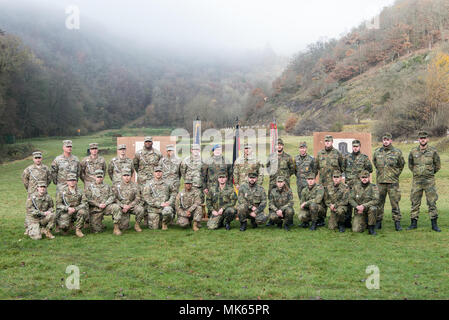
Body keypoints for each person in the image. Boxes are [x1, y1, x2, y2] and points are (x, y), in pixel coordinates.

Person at [407, 131, 442, 232]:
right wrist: (417, 172)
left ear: (427, 139)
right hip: (417, 181)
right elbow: (410, 164)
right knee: (415, 202)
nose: (423, 140)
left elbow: (437, 165)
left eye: (424, 138)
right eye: (421, 138)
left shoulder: (433, 151)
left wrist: (429, 173)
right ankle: (413, 223)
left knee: (432, 202)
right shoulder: (413, 151)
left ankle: (434, 224)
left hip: (429, 181)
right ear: (418, 139)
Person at [373, 133, 405, 231]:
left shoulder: (397, 152)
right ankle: (378, 222)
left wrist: (395, 174)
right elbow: (375, 163)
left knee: (395, 203)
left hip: (393, 183)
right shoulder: (377, 152)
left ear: (391, 140)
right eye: (384, 139)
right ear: (382, 141)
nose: (386, 141)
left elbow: (401, 165)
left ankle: (397, 223)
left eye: (387, 139)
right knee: (379, 203)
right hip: (381, 182)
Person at [342, 140, 373, 228]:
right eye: (354, 146)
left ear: (360, 147)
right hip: (349, 185)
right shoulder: (347, 157)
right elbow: (343, 168)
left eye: (357, 146)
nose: (355, 148)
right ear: (352, 147)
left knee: (361, 202)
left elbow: (370, 169)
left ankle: (363, 221)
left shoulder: (364, 158)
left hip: (360, 186)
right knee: (348, 203)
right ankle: (347, 222)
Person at [314, 135, 343, 226]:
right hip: (322, 182)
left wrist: (337, 180)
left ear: (332, 142)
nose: (327, 143)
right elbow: (316, 167)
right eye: (326, 141)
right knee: (322, 201)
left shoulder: (337, 153)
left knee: (334, 200)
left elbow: (341, 167)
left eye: (329, 141)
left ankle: (335, 218)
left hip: (333, 184)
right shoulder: (320, 153)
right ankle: (321, 219)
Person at [84, 169, 122, 235]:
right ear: (94, 177)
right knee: (96, 230)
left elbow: (112, 196)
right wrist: (98, 204)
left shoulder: (107, 186)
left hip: (106, 207)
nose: (99, 178)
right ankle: (99, 224)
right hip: (95, 209)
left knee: (116, 207)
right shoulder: (89, 187)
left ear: (103, 177)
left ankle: (116, 228)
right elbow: (88, 199)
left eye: (101, 177)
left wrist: (106, 203)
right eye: (98, 177)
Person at [113, 168, 145, 232]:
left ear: (130, 176)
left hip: (131, 206)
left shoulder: (135, 185)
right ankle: (117, 226)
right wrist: (122, 206)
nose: (126, 177)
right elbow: (114, 198)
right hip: (122, 207)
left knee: (140, 209)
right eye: (125, 176)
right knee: (123, 227)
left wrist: (129, 206)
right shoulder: (116, 186)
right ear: (122, 176)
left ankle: (137, 225)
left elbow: (138, 198)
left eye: (128, 175)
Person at [55, 173, 87, 238]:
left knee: (83, 212)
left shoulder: (80, 191)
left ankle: (78, 230)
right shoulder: (61, 192)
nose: (72, 182)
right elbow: (58, 204)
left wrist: (75, 209)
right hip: (66, 212)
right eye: (70, 180)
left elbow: (84, 203)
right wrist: (67, 208)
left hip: (76, 211)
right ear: (67, 182)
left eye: (73, 180)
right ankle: (66, 227)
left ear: (76, 181)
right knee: (64, 227)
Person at [349, 170, 379, 235]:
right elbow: (350, 199)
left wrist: (364, 206)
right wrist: (357, 207)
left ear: (368, 177)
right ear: (360, 178)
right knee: (356, 230)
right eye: (363, 177)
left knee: (373, 209)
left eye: (366, 177)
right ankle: (365, 222)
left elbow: (376, 200)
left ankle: (371, 228)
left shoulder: (374, 187)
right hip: (359, 210)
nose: (364, 179)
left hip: (369, 209)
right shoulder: (355, 187)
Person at [294, 141, 316, 206]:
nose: (302, 150)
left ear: (306, 148)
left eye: (303, 148)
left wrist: (310, 180)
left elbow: (314, 171)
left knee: (309, 198)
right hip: (299, 183)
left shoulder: (311, 159)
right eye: (301, 148)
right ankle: (302, 213)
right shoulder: (295, 159)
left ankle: (309, 214)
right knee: (301, 199)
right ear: (299, 149)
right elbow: (295, 170)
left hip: (308, 183)